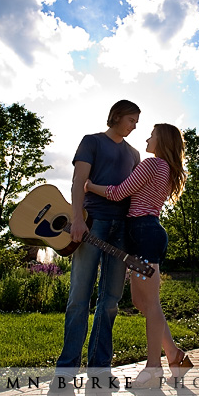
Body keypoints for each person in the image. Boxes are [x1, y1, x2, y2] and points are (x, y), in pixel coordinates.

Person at [85, 123, 193, 388]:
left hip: (144, 233)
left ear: (162, 141)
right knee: (141, 301)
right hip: (144, 233)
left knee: (151, 302)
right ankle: (175, 355)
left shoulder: (153, 164)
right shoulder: (167, 169)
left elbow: (118, 192)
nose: (147, 138)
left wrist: (89, 186)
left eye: (152, 135)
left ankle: (153, 369)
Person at [56, 100, 141, 378]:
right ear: (116, 116)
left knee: (111, 300)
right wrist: (77, 219)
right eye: (131, 119)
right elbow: (78, 181)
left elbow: (133, 192)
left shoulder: (134, 154)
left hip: (122, 228)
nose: (135, 126)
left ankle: (100, 368)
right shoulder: (91, 142)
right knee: (79, 298)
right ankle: (67, 368)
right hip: (92, 224)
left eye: (137, 121)